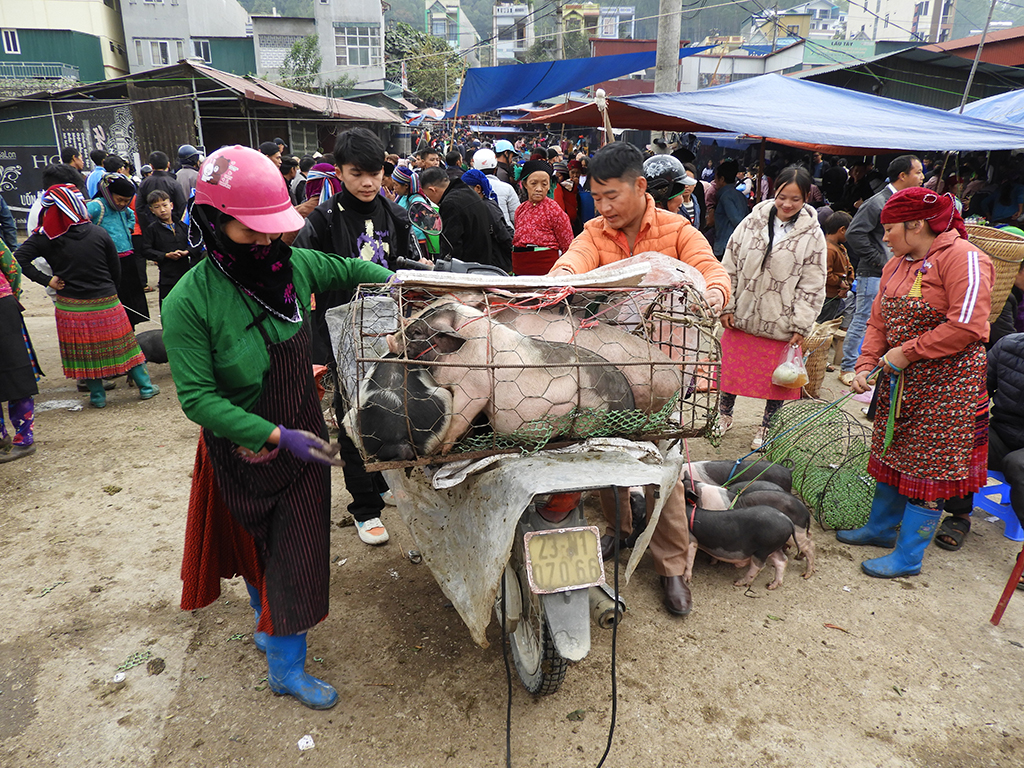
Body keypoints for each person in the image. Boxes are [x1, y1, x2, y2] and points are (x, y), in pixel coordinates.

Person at [163, 145, 393, 711]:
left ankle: (285, 666)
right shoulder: (189, 301)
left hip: (305, 442)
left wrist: (404, 282)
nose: (267, 243)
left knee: (298, 551)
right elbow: (198, 399)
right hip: (244, 450)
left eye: (274, 230)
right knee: (259, 551)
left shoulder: (294, 267)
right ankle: (270, 627)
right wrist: (274, 436)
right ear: (212, 223)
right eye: (251, 232)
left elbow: (350, 270)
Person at [548, 141, 731, 618]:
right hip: (609, 372)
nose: (604, 208)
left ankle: (671, 565)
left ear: (640, 187)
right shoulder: (593, 233)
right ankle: (619, 529)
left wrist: (713, 290)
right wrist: (562, 277)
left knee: (663, 466)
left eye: (612, 196)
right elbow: (571, 263)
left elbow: (710, 268)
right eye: (597, 198)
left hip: (665, 373)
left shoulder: (676, 230)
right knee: (605, 451)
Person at [837, 188, 994, 579]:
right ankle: (879, 529)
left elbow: (967, 325)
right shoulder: (896, 264)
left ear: (916, 224)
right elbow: (877, 322)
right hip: (900, 381)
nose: (885, 236)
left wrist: (908, 352)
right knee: (892, 452)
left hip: (947, 387)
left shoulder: (966, 260)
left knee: (930, 469)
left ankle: (908, 555)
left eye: (889, 229)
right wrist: (865, 364)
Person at [294, 127, 416, 547]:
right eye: (357, 173)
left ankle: (381, 481)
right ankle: (364, 508)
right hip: (340, 332)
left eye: (376, 173)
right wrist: (313, 346)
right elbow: (302, 274)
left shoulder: (396, 215)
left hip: (388, 332)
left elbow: (409, 270)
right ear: (340, 173)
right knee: (350, 420)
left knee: (391, 408)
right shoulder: (323, 220)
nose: (368, 182)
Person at [15, 184, 160, 408]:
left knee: (85, 353)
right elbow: (115, 269)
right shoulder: (98, 232)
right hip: (106, 302)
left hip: (71, 307)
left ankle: (98, 397)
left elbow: (19, 259)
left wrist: (47, 280)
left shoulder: (45, 238)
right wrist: (110, 290)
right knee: (126, 346)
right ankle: (146, 388)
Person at [718, 166, 827, 450]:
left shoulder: (813, 236)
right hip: (742, 313)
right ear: (773, 192)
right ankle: (723, 415)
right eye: (782, 197)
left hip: (782, 320)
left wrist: (801, 324)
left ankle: (768, 426)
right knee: (731, 372)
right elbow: (729, 264)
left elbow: (813, 283)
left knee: (779, 380)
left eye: (795, 199)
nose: (787, 204)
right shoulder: (751, 222)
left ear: (806, 199)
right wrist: (726, 304)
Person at [838, 155, 924, 386]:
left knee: (885, 320)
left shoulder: (904, 202)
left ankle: (868, 368)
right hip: (874, 273)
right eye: (918, 172)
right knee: (865, 318)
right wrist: (879, 260)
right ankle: (848, 366)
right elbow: (854, 233)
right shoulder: (877, 202)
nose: (922, 177)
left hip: (895, 273)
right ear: (902, 176)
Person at [86, 172, 150, 329]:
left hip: (128, 258)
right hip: (109, 261)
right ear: (108, 193)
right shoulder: (97, 206)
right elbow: (82, 222)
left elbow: (131, 216)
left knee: (131, 300)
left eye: (126, 201)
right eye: (120, 199)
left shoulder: (124, 209)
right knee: (117, 300)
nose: (122, 204)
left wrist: (128, 229)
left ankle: (131, 330)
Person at [0, 239, 40, 463]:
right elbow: (12, 268)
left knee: (16, 371)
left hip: (2, 306)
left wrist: (9, 296)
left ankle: (24, 439)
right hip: (4, 303)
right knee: (14, 369)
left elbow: (13, 268)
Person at [421, 166, 501, 269]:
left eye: (428, 195)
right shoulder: (468, 192)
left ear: (432, 190)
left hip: (466, 270)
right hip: (483, 263)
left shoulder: (450, 204)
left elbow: (451, 246)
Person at [510, 160, 574, 275]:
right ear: (524, 184)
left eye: (544, 184)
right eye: (533, 183)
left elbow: (567, 245)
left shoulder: (554, 210)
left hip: (545, 270)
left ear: (549, 185)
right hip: (520, 269)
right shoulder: (520, 210)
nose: (539, 188)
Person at [141, 189, 201, 308]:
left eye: (165, 205)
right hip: (167, 277)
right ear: (152, 210)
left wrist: (187, 252)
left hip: (187, 274)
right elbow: (146, 250)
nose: (162, 210)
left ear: (171, 205)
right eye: (157, 207)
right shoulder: (152, 230)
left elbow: (197, 244)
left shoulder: (183, 226)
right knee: (170, 307)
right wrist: (165, 255)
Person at [460, 168, 513, 272]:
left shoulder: (487, 207)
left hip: (496, 263)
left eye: (465, 189)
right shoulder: (478, 205)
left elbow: (502, 233)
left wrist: (512, 252)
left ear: (478, 189)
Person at [137, 151, 187, 233]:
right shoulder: (174, 183)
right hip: (172, 228)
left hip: (150, 229)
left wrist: (147, 226)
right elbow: (181, 206)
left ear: (151, 166)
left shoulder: (144, 183)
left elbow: (139, 208)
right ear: (168, 164)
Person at [818, 210, 854, 323]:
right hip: (827, 296)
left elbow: (848, 268)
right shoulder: (828, 249)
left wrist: (848, 282)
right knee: (821, 326)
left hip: (837, 296)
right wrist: (839, 282)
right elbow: (825, 274)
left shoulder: (841, 248)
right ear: (842, 230)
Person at [710, 160, 748, 260]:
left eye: (716, 179)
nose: (715, 182)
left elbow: (737, 220)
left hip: (725, 247)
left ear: (722, 179)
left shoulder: (726, 197)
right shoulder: (740, 195)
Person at [472, 148, 517, 232]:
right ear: (495, 169)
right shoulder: (507, 188)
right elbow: (516, 217)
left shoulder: (469, 189)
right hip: (506, 234)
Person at [553, 160, 584, 235]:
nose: (575, 175)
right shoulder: (560, 187)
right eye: (572, 172)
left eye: (578, 173)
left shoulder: (578, 186)